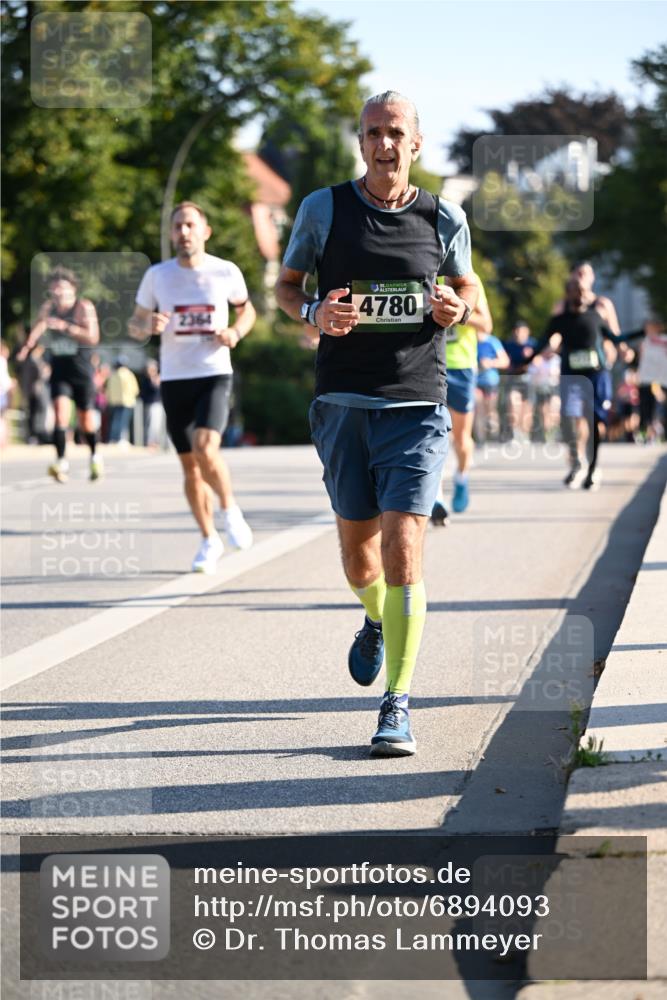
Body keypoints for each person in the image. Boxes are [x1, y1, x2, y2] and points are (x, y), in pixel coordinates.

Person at [275, 91, 477, 756]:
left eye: (394, 132)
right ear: (359, 141)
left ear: (415, 142)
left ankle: (397, 702)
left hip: (416, 404)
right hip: (342, 403)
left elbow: (466, 289)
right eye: (371, 133)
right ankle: (376, 620)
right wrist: (311, 315)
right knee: (359, 558)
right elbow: (287, 286)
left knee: (402, 550)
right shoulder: (322, 208)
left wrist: (452, 306)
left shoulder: (443, 215)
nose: (382, 144)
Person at [129, 201, 256, 573]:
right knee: (189, 466)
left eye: (189, 225)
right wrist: (147, 325)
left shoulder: (225, 271)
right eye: (177, 227)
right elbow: (135, 325)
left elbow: (247, 310)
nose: (183, 232)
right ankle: (208, 539)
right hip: (174, 377)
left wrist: (234, 331)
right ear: (171, 234)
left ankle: (230, 510)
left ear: (205, 231)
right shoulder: (157, 275)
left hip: (214, 371)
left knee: (205, 446)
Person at [529, 276, 618, 490]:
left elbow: (613, 335)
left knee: (592, 421)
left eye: (583, 289)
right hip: (571, 374)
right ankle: (576, 462)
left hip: (595, 374)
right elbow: (549, 338)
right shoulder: (560, 314)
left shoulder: (600, 309)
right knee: (570, 420)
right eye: (576, 289)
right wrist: (529, 358)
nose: (580, 293)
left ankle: (592, 467)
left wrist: (620, 347)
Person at [16, 266, 102, 482]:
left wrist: (66, 327)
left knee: (85, 420)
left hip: (82, 369)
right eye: (54, 290)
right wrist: (27, 348)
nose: (57, 294)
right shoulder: (48, 308)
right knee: (60, 412)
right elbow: (39, 327)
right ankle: (61, 461)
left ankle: (94, 456)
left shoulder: (83, 307)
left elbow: (93, 337)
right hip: (60, 368)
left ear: (72, 289)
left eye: (61, 289)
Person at [430, 275, 493, 524]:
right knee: (433, 433)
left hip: (462, 366)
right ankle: (436, 498)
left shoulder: (469, 278)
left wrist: (457, 311)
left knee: (461, 438)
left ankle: (461, 478)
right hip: (430, 362)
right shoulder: (423, 269)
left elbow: (486, 325)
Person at [500, 321, 537, 442]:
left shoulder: (533, 344)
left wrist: (532, 358)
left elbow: (540, 360)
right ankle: (515, 432)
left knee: (527, 408)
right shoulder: (508, 345)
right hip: (513, 379)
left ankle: (525, 434)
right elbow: (504, 361)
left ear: (527, 332)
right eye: (516, 331)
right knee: (513, 403)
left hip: (529, 379)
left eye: (521, 331)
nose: (518, 333)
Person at [473, 328, 509, 445]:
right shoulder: (471, 341)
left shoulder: (493, 341)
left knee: (490, 410)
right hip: (475, 381)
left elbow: (505, 361)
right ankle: (480, 439)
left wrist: (490, 363)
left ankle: (494, 435)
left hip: (490, 382)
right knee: (478, 409)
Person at [106, 357, 140, 444]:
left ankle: (113, 439)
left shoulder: (112, 375)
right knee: (123, 421)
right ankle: (120, 439)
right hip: (127, 401)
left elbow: (108, 389)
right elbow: (135, 389)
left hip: (114, 401)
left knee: (115, 421)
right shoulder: (128, 374)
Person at [140, 359, 164, 448]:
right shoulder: (146, 379)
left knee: (156, 425)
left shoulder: (156, 378)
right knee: (150, 424)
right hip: (150, 404)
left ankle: (155, 441)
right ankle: (149, 442)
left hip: (158, 404)